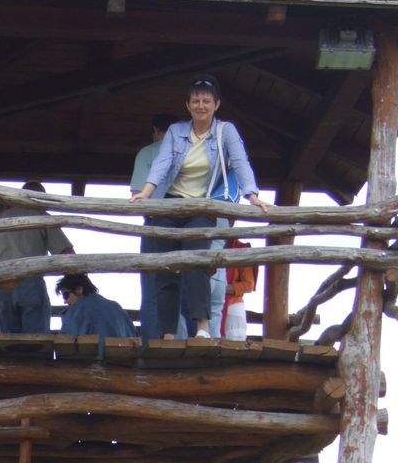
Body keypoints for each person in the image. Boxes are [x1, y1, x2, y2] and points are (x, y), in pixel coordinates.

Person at [132, 76, 269, 340]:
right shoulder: (176, 131)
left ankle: (203, 328)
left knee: (197, 264)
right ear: (188, 105)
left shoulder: (226, 131)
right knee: (166, 269)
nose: (201, 105)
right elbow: (163, 162)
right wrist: (147, 192)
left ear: (217, 104)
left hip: (201, 206)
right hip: (169, 204)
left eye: (206, 100)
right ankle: (168, 333)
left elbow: (240, 162)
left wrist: (252, 196)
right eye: (195, 100)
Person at [0, 181, 72, 334]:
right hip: (31, 282)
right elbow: (66, 253)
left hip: (3, 287)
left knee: (10, 341)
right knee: (37, 339)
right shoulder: (41, 216)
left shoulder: (2, 220)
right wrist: (79, 283)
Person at [130, 113, 176, 342]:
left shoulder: (147, 153)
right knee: (182, 285)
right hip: (187, 227)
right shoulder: (189, 151)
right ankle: (181, 341)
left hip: (155, 225)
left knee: (151, 289)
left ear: (156, 131)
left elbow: (137, 195)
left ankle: (151, 342)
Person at [56, 275, 134, 341]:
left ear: (79, 289)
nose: (65, 301)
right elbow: (133, 335)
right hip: (121, 353)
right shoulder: (116, 307)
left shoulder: (76, 310)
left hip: (91, 354)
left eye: (65, 295)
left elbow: (65, 341)